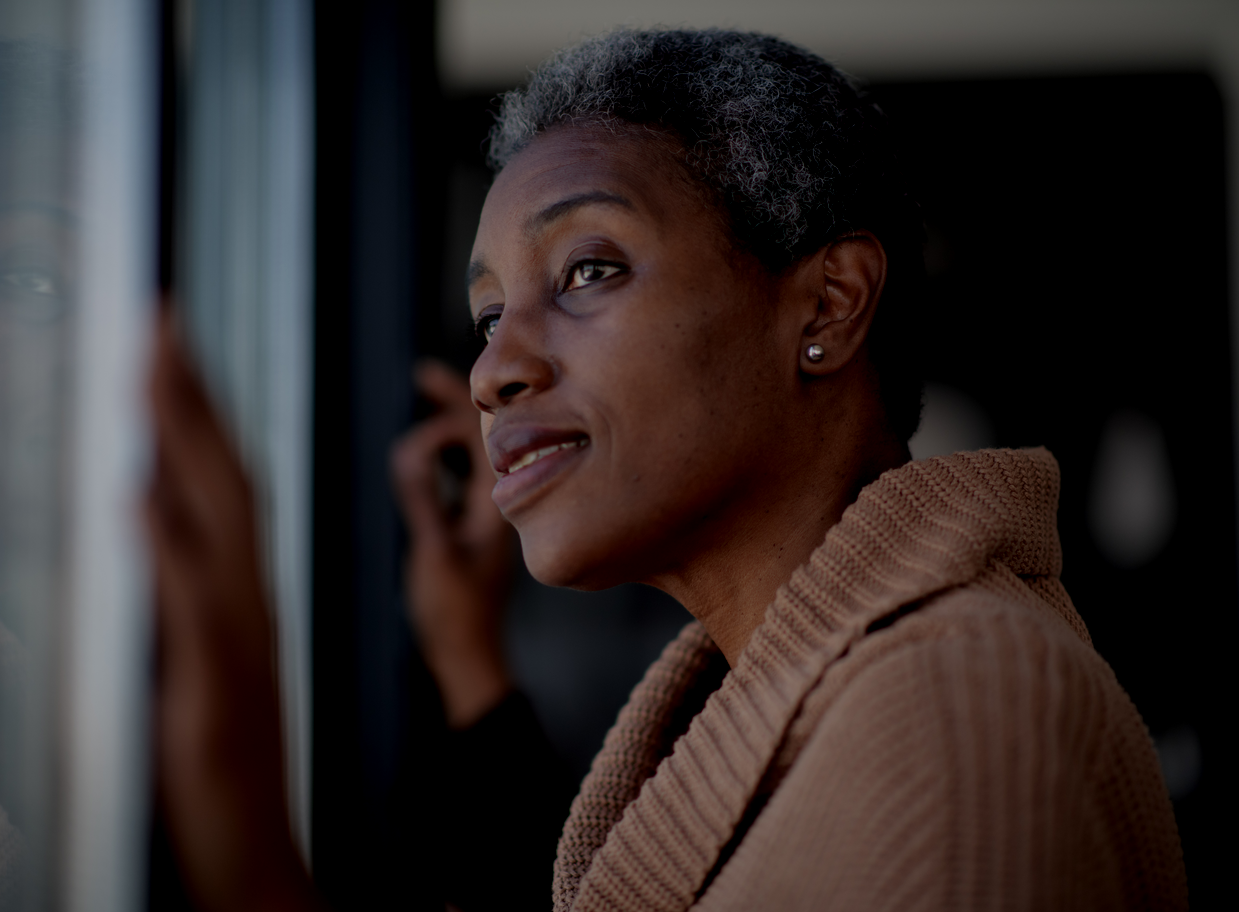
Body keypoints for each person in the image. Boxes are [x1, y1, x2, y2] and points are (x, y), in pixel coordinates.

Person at [147, 28, 1188, 912]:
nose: (495, 370)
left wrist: (239, 801)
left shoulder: (957, 721)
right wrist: (466, 654)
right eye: (489, 316)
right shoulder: (808, 700)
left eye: (590, 270)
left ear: (827, 307)